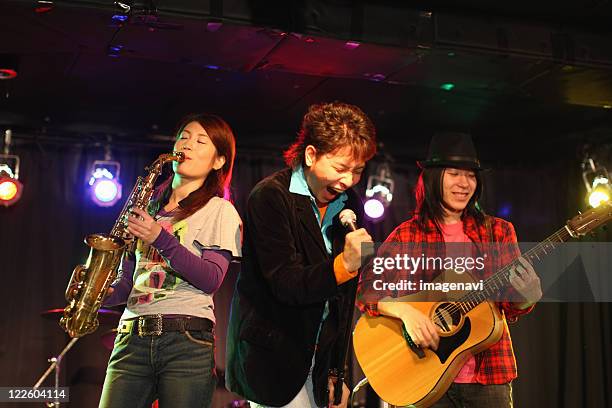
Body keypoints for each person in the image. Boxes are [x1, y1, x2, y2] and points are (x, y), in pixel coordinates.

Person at [358, 132, 542, 407]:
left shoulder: (499, 232)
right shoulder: (407, 234)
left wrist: (528, 296)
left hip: (488, 377)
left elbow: (511, 305)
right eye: (455, 173)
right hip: (422, 377)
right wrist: (405, 311)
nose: (464, 183)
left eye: (471, 175)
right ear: (434, 177)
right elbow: (366, 289)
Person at [226, 102, 377, 408]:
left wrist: (339, 372)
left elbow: (343, 303)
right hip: (276, 359)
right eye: (339, 168)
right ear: (310, 155)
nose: (348, 180)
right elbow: (286, 282)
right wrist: (343, 264)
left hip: (322, 362)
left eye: (357, 171)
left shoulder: (350, 203)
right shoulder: (270, 196)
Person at [99, 113, 242, 408]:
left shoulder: (220, 210)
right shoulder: (147, 206)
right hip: (130, 338)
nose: (188, 145)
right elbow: (129, 281)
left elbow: (211, 278)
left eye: (201, 141)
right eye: (184, 137)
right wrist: (100, 293)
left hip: (186, 341)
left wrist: (159, 237)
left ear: (219, 161)